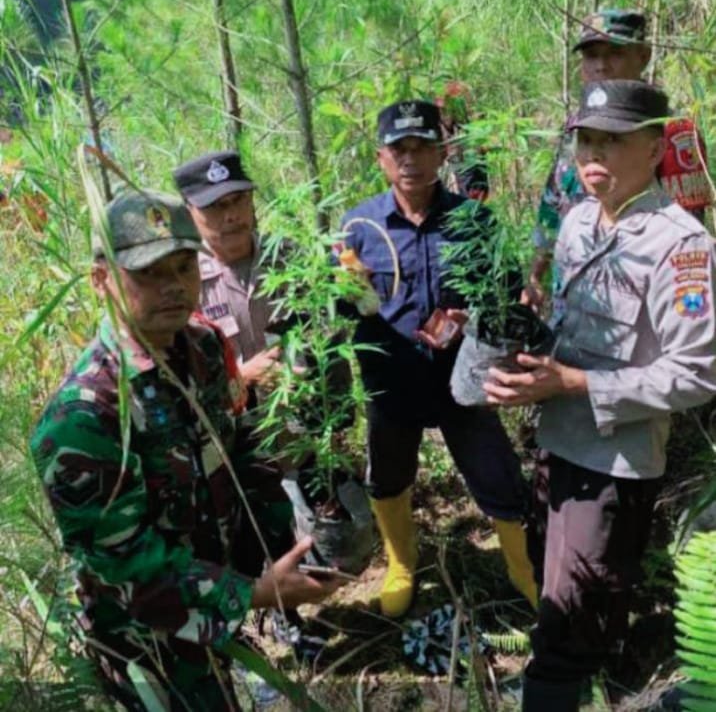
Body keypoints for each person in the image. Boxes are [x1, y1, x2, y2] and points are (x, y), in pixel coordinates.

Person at [30, 189, 340, 711]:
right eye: (148, 273)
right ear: (101, 280)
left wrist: (288, 540)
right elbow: (129, 569)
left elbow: (236, 451)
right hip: (149, 640)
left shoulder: (202, 347)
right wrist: (253, 594)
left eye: (183, 267)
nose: (174, 285)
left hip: (217, 598)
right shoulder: (85, 415)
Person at [484, 80, 716, 711]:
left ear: (655, 149)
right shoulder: (578, 222)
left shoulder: (680, 246)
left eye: (612, 141)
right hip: (557, 440)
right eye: (586, 139)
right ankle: (594, 681)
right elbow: (570, 327)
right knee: (561, 585)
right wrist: (527, 362)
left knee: (567, 620)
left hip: (614, 462)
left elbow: (696, 374)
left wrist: (577, 383)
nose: (593, 154)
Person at [339, 99, 537, 619]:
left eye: (421, 147)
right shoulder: (359, 226)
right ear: (381, 158)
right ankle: (401, 565)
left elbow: (507, 294)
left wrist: (477, 316)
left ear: (443, 152)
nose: (410, 159)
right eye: (398, 149)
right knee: (388, 474)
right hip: (391, 381)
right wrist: (348, 290)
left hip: (463, 379)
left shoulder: (475, 221)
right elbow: (341, 306)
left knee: (497, 473)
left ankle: (523, 569)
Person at [523, 8, 712, 312]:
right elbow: (553, 202)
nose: (601, 66)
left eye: (615, 53)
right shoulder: (575, 125)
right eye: (591, 56)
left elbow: (686, 240)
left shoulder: (673, 132)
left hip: (634, 300)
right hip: (572, 295)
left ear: (643, 56)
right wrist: (536, 274)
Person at [172, 151, 284, 402]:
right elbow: (178, 378)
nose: (232, 215)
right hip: (231, 420)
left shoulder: (289, 258)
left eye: (238, 200)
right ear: (189, 213)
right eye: (215, 206)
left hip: (307, 415)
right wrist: (241, 376)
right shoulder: (182, 280)